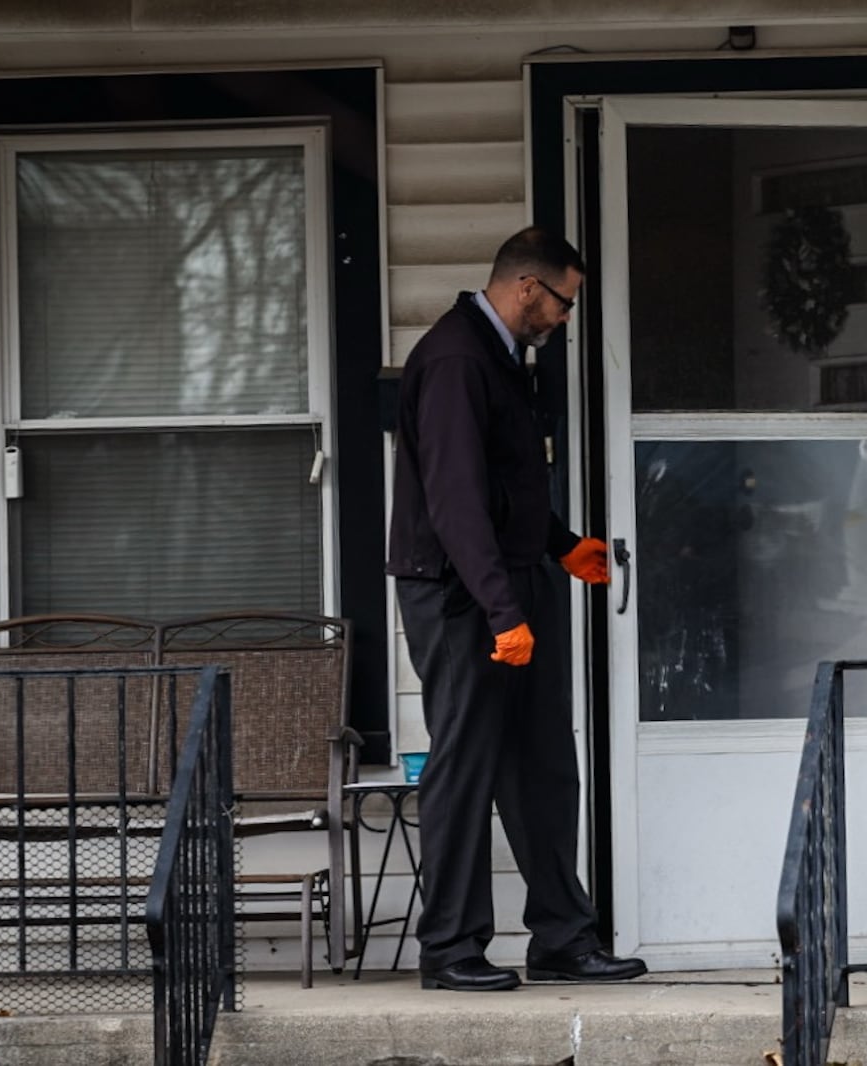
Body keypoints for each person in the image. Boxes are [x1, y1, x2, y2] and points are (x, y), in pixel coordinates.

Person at [387, 227, 647, 992]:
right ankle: (451, 948)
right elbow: (456, 499)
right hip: (460, 594)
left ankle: (562, 937)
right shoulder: (456, 358)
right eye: (564, 302)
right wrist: (503, 613)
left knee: (540, 763)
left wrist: (559, 544)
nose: (566, 318)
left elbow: (504, 482)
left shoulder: (503, 358)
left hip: (511, 578)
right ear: (528, 288)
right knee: (467, 765)